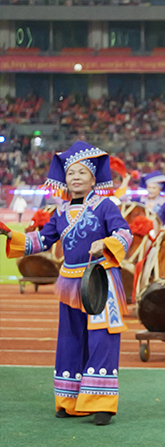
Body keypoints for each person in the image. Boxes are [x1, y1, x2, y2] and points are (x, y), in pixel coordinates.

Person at [0, 141, 132, 425]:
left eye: (81, 173)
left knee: (102, 339)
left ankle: (101, 404)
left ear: (94, 178)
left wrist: (107, 242)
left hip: (100, 279)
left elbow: (125, 233)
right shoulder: (59, 211)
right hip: (70, 281)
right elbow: (43, 240)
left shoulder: (106, 205)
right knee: (70, 339)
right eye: (71, 173)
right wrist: (12, 236)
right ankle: (69, 399)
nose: (74, 177)